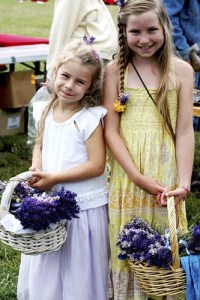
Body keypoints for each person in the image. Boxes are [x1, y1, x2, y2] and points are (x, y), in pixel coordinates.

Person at [103, 0, 194, 299]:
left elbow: (183, 131)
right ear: (124, 32)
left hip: (165, 169)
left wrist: (183, 182)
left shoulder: (181, 71)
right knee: (127, 243)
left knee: (162, 245)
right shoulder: (115, 70)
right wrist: (137, 176)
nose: (144, 39)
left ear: (165, 26)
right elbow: (111, 132)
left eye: (152, 29)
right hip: (128, 173)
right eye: (135, 31)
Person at [17, 39, 109, 300]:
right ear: (54, 71)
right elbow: (40, 143)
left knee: (78, 266)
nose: (69, 86)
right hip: (51, 203)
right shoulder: (44, 109)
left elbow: (96, 164)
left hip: (83, 209)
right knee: (49, 263)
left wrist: (55, 177)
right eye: (66, 76)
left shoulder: (89, 118)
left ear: (91, 85)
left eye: (80, 82)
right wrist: (37, 165)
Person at [27, 0, 118, 145]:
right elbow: (60, 31)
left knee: (92, 120)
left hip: (96, 64)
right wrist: (52, 74)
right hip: (82, 65)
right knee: (79, 119)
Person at [163, 0, 200, 131]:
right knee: (185, 108)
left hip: (195, 46)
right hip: (187, 50)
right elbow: (168, 16)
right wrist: (185, 51)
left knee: (195, 102)